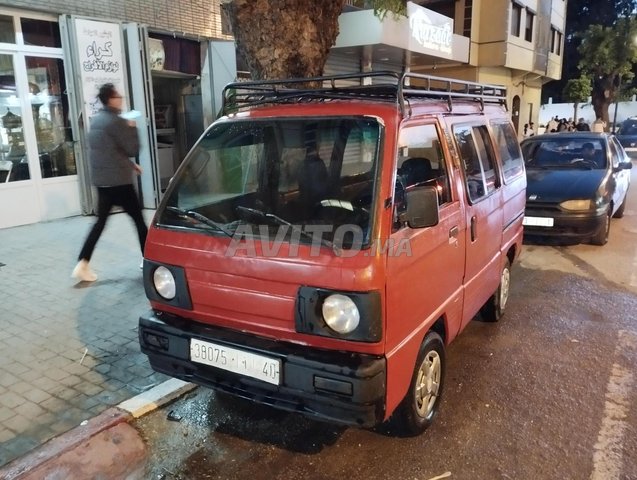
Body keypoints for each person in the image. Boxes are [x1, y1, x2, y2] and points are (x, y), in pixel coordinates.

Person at [71, 83, 147, 282]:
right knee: (139, 221)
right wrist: (133, 128)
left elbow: (110, 152)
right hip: (120, 184)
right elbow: (132, 148)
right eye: (118, 96)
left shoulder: (96, 121)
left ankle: (82, 263)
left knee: (99, 223)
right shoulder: (117, 122)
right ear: (110, 99)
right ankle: (149, 260)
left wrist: (131, 166)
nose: (121, 98)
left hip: (103, 182)